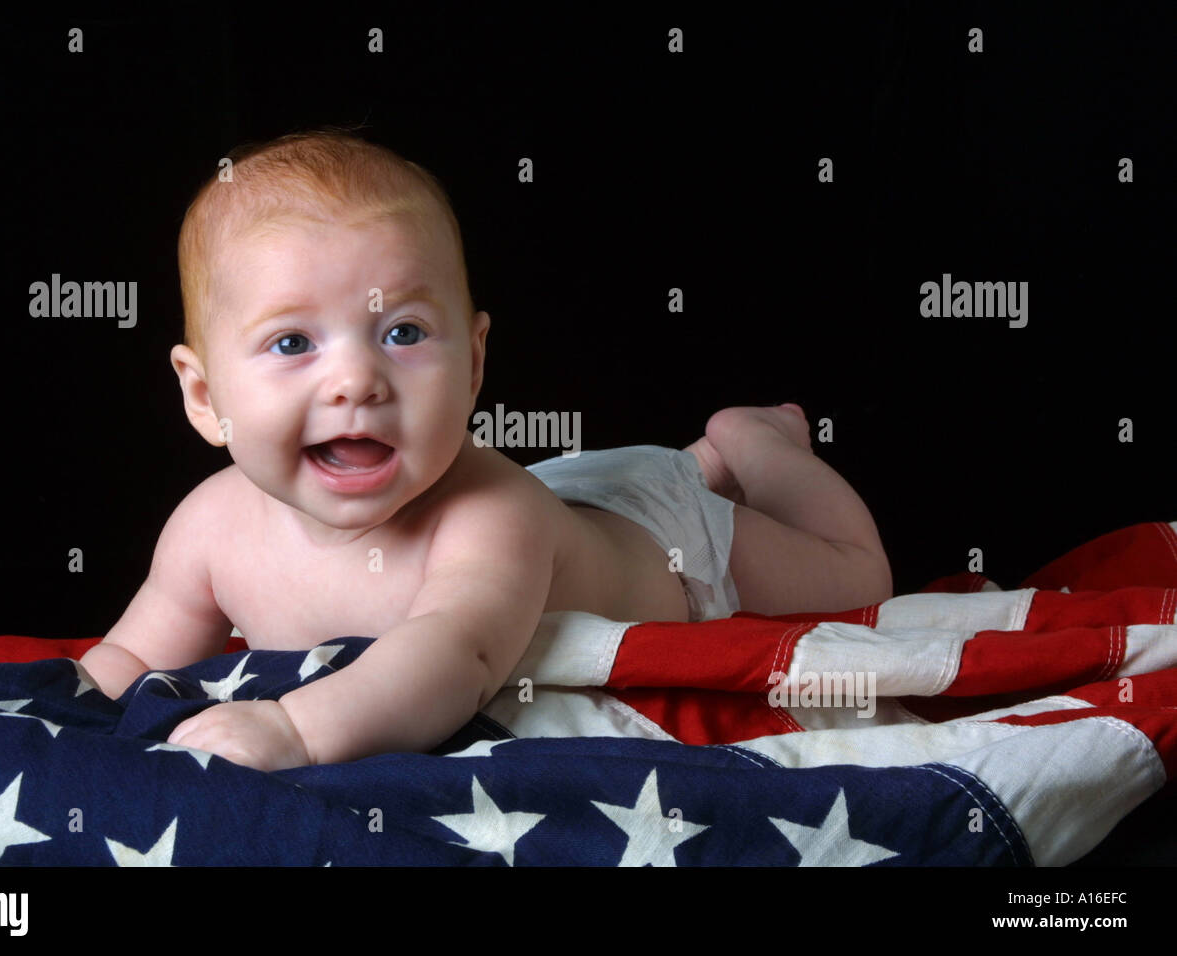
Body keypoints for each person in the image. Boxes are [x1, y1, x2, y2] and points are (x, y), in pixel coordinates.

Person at [78, 129, 892, 770]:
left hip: (664, 540)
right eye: (293, 342)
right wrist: (71, 708)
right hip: (571, 493)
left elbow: (455, 655)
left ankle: (753, 447)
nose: (355, 381)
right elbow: (133, 655)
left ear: (472, 364)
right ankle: (701, 459)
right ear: (206, 397)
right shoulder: (209, 528)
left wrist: (296, 730)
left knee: (859, 577)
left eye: (402, 333)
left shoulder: (488, 517)